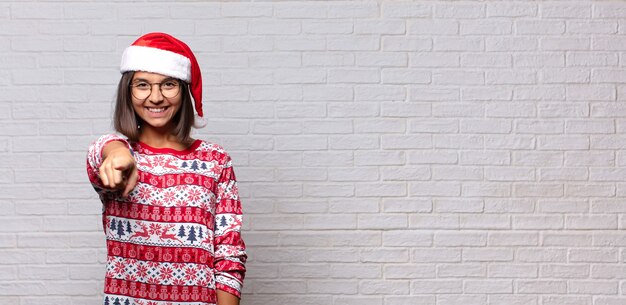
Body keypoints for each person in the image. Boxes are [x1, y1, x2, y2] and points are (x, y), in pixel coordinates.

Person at [86, 32, 246, 305]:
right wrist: (116, 152)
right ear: (128, 91)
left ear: (183, 91)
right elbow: (100, 154)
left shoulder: (215, 160)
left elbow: (229, 250)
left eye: (168, 84)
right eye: (143, 85)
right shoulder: (119, 156)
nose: (156, 97)